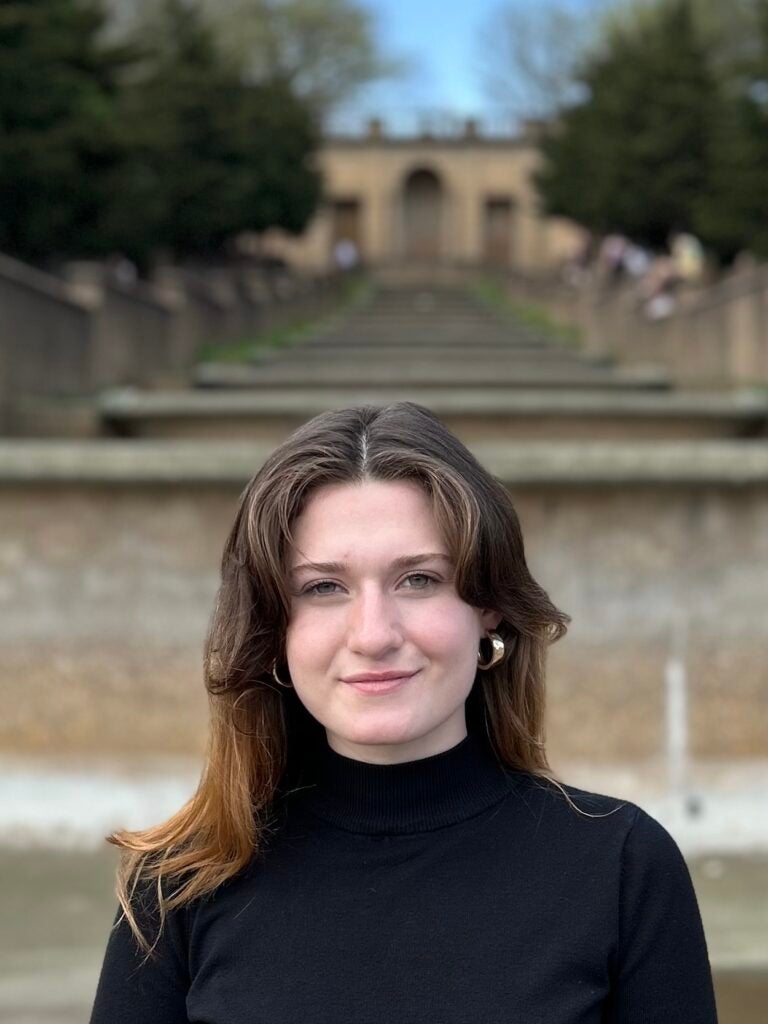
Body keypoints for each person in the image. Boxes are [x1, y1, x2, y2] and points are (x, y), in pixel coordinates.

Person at [90, 402, 718, 1024]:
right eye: (322, 587)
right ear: (273, 629)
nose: (373, 634)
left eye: (418, 579)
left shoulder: (622, 867)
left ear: (489, 609)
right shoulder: (175, 886)